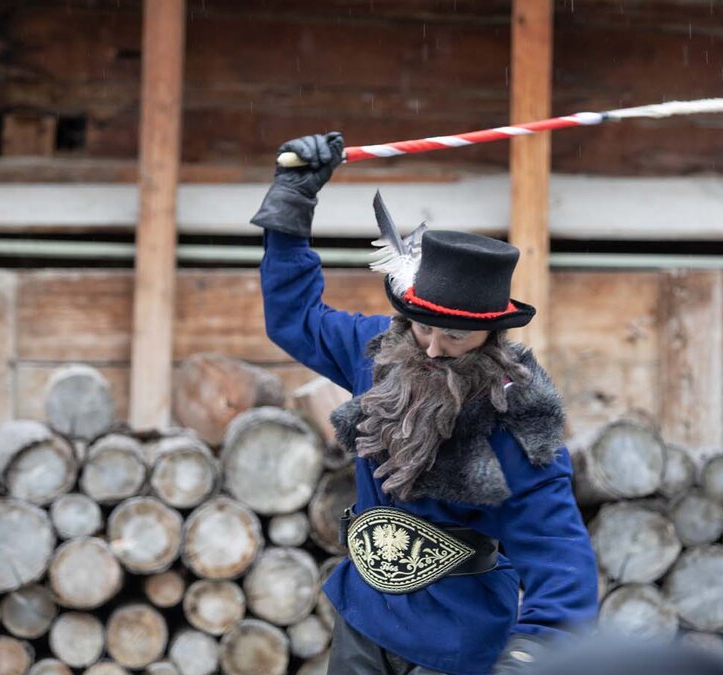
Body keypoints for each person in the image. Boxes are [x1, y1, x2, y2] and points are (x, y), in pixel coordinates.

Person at [250, 132, 598, 675]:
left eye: (454, 338)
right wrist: (292, 205)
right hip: (363, 618)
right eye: (423, 328)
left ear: (490, 334)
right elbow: (293, 316)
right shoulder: (379, 352)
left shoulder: (519, 420)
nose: (433, 349)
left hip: (458, 643)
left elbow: (558, 554)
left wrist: (532, 654)